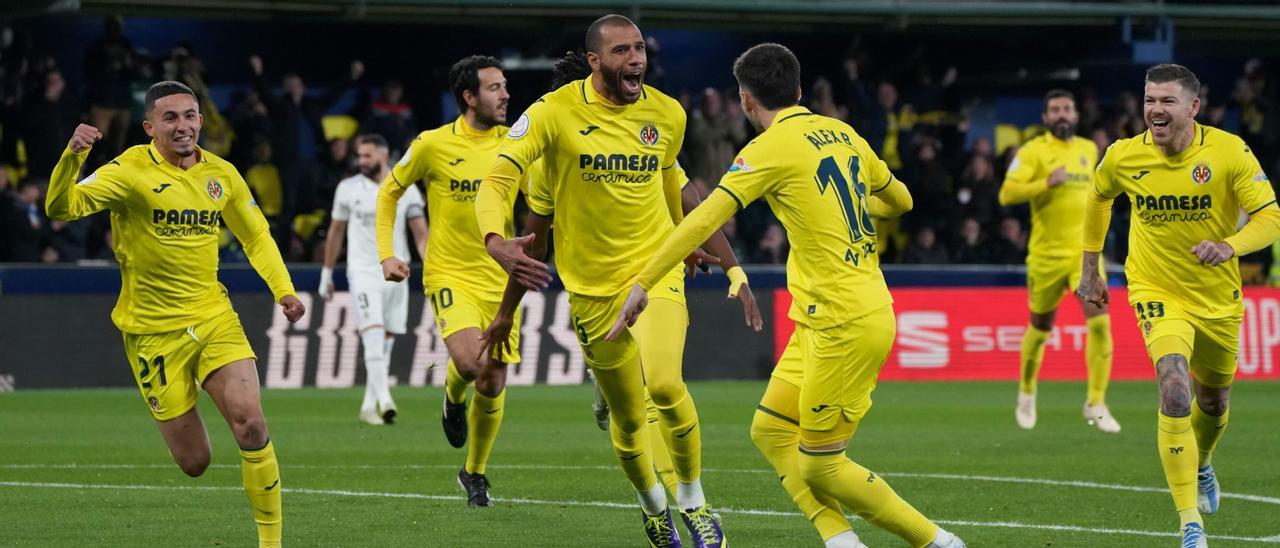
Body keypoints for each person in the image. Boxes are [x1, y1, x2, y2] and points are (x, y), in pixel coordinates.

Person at [608, 43, 966, 548]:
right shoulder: (843, 133)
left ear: (747, 102)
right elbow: (902, 200)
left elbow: (702, 220)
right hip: (826, 317)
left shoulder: (767, 150)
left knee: (821, 465)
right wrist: (854, 208)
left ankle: (937, 542)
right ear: (799, 91)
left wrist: (642, 283)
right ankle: (841, 540)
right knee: (771, 430)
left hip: (846, 321)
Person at [474, 15, 730, 547]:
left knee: (663, 384)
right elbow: (500, 178)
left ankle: (695, 502)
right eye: (622, 50)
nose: (636, 58)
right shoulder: (551, 117)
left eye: (640, 48)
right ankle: (653, 506)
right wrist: (495, 242)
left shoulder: (668, 113)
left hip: (655, 274)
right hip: (592, 289)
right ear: (595, 60)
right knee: (630, 419)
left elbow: (670, 183)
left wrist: (687, 248)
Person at [45, 81, 305, 548]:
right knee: (195, 462)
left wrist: (283, 290)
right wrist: (73, 156)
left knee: (251, 422)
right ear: (150, 126)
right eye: (170, 118)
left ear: (202, 120)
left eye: (190, 116)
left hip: (212, 316)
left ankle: (272, 544)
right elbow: (61, 207)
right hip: (152, 332)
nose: (183, 126)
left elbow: (256, 237)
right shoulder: (127, 170)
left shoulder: (222, 174)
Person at [1078, 64, 1280, 548]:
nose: (1155, 110)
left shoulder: (1229, 151)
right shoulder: (1124, 156)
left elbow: (1271, 215)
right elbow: (1098, 196)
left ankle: (1204, 461)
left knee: (1213, 403)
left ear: (1193, 106)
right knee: (1173, 391)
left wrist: (1230, 245)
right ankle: (1190, 523)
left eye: (1166, 101)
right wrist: (1090, 267)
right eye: (1149, 100)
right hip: (1154, 289)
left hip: (1217, 297)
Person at [376, 55, 520, 508]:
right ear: (469, 97)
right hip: (450, 272)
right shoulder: (432, 145)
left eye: (505, 86)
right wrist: (387, 254)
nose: (505, 95)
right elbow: (390, 191)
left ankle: (474, 472)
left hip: (501, 277)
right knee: (472, 362)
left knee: (494, 381)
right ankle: (452, 395)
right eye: (494, 88)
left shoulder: (518, 145)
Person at [998, 89, 1119, 433]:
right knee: (1039, 329)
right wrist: (1045, 183)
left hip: (1083, 257)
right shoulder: (1033, 151)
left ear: (1077, 115)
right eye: (1055, 110)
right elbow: (1007, 194)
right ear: (1046, 117)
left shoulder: (1088, 149)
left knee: (1100, 323)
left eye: (1068, 108)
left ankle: (1096, 402)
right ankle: (1026, 392)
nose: (1062, 114)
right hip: (1045, 257)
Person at [319, 134, 426, 425]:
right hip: (363, 271)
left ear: (384, 155)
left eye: (367, 156)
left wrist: (431, 267)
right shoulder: (347, 188)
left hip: (397, 272)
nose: (361, 161)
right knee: (374, 335)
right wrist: (327, 273)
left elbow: (420, 233)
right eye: (359, 155)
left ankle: (368, 405)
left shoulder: (407, 188)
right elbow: (335, 232)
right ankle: (385, 400)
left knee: (387, 340)